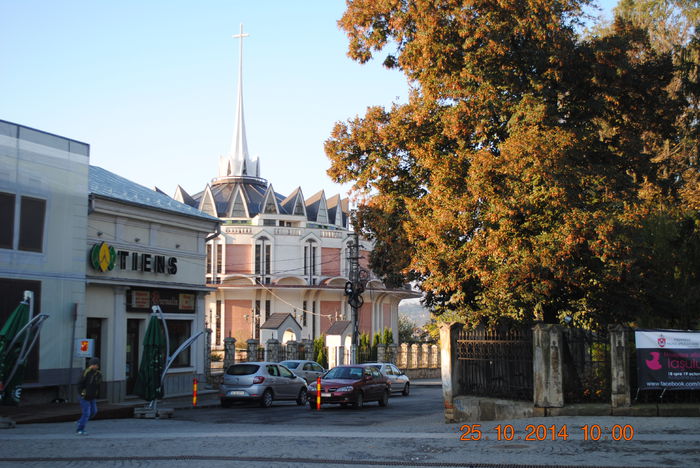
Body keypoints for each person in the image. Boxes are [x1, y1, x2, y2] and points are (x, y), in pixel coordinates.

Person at [76, 357, 102, 435]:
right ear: (91, 365)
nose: (96, 366)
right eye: (94, 365)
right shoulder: (86, 372)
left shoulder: (98, 374)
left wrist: (96, 394)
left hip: (92, 396)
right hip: (84, 396)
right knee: (86, 413)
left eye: (97, 365)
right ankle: (80, 429)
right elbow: (80, 384)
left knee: (94, 411)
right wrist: (82, 393)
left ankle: (80, 421)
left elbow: (98, 385)